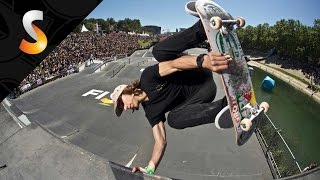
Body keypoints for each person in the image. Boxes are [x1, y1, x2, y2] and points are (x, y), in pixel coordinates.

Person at [110, 19, 231, 175]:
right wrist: (149, 170)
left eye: (122, 103)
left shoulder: (148, 77)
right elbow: (160, 141)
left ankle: (202, 27)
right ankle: (227, 106)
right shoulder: (152, 112)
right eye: (122, 108)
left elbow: (174, 64)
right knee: (174, 120)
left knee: (158, 51)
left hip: (199, 70)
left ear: (127, 91)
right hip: (204, 93)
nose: (125, 108)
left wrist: (203, 60)